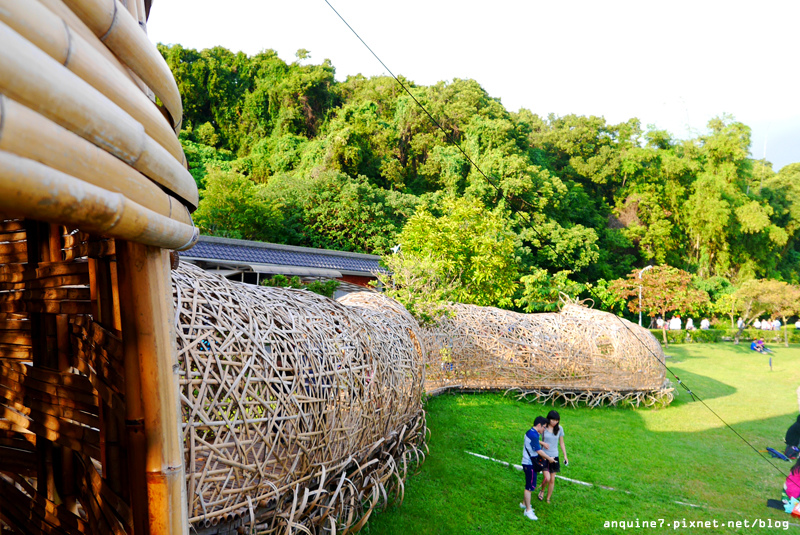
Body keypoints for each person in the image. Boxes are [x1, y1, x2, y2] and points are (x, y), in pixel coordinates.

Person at [519, 416, 553, 521]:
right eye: (544, 427)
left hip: (528, 462)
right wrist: (549, 458)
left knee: (529, 485)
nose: (544, 429)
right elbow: (539, 451)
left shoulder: (531, 432)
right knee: (529, 487)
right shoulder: (534, 435)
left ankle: (524, 504)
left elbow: (535, 443)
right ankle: (528, 510)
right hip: (529, 464)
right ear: (539, 425)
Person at [539, 410, 569, 503]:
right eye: (553, 420)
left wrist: (565, 456)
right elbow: (534, 438)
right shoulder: (544, 427)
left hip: (555, 456)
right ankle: (542, 490)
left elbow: (561, 443)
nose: (555, 422)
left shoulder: (559, 429)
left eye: (557, 420)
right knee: (547, 478)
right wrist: (542, 443)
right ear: (549, 419)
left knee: (552, 479)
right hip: (544, 455)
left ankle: (548, 498)